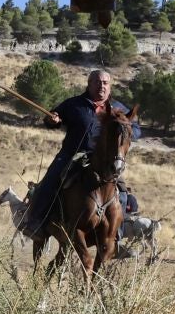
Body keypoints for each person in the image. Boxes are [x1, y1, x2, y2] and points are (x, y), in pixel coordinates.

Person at [22, 69, 139, 236]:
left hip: (105, 160)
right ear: (89, 84)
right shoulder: (74, 104)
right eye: (98, 82)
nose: (102, 86)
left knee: (123, 193)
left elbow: (136, 129)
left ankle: (116, 237)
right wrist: (52, 120)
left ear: (110, 86)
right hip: (72, 153)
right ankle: (36, 223)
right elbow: (53, 119)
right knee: (50, 181)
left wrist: (126, 128)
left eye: (105, 83)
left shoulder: (118, 108)